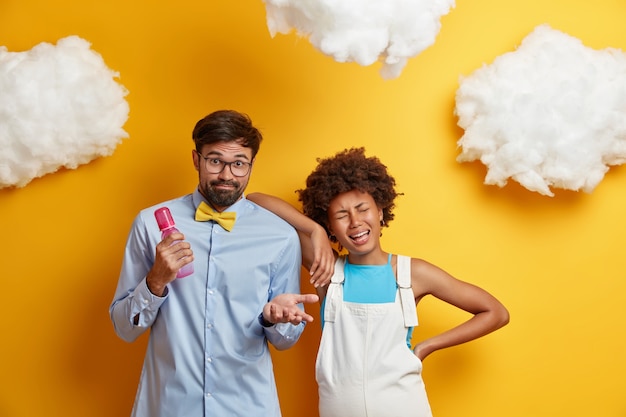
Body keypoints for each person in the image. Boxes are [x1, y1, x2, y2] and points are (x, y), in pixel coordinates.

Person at [248, 147, 510, 417]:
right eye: (341, 216)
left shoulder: (412, 273)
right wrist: (314, 230)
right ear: (330, 226)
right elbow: (256, 200)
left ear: (381, 211)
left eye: (363, 209)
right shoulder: (327, 270)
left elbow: (496, 312)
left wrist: (427, 346)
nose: (355, 222)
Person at [109, 109, 330, 417]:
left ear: (251, 165)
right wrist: (155, 282)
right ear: (196, 159)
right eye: (215, 161)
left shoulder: (280, 236)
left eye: (239, 163)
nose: (227, 175)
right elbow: (124, 327)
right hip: (170, 405)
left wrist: (275, 318)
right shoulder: (149, 225)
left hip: (248, 406)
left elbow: (285, 341)